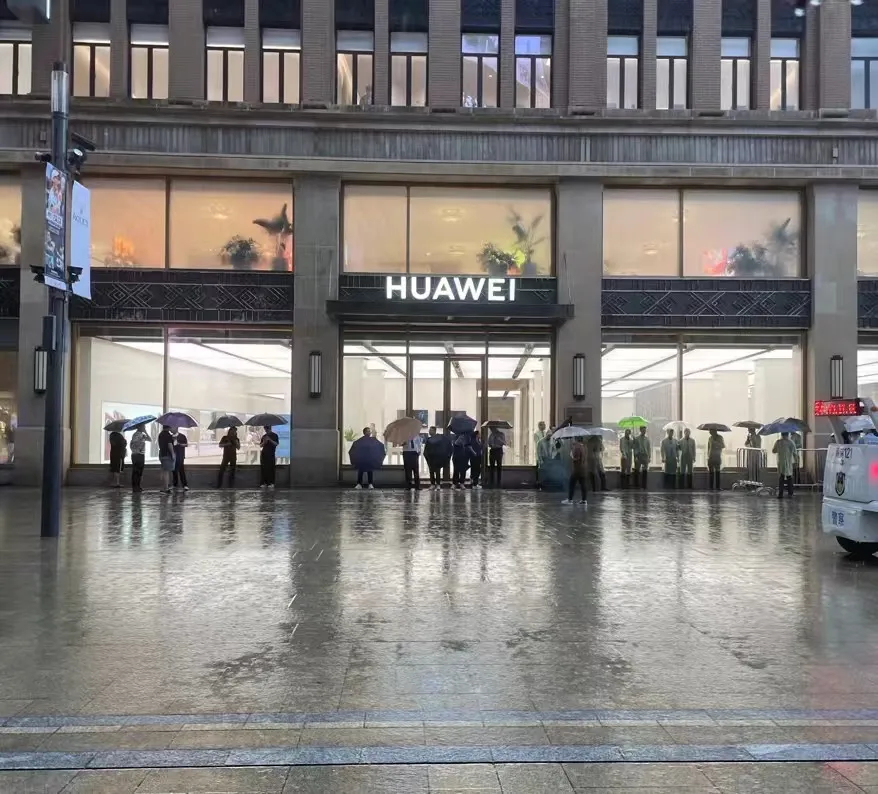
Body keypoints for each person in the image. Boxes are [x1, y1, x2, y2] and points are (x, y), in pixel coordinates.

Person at [562, 436, 587, 506]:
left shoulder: (577, 447)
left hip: (577, 470)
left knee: (571, 484)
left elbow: (577, 458)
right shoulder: (583, 447)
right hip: (583, 469)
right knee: (583, 485)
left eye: (574, 439)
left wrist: (572, 456)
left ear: (576, 439)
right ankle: (584, 500)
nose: (573, 440)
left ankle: (570, 499)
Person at [773, 431, 797, 498]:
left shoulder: (778, 442)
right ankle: (790, 493)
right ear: (788, 434)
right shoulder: (791, 442)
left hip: (781, 462)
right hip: (788, 462)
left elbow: (774, 451)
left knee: (781, 478)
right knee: (789, 478)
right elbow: (795, 453)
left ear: (781, 434)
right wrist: (796, 461)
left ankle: (780, 494)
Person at [129, 423, 149, 493]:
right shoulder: (136, 434)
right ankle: (135, 487)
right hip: (136, 454)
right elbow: (134, 445)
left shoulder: (142, 434)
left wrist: (145, 432)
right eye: (144, 426)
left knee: (140, 471)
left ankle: (138, 486)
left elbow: (149, 439)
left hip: (141, 454)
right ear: (139, 427)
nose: (144, 427)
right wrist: (141, 440)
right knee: (136, 472)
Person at [157, 424, 175, 494]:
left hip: (162, 454)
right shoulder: (168, 435)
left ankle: (163, 487)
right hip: (167, 455)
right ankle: (166, 488)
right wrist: (172, 454)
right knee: (166, 472)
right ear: (168, 427)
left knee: (164, 470)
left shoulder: (161, 434)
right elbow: (169, 444)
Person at [533, 421, 548, 488]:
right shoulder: (536, 434)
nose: (544, 426)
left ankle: (544, 481)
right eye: (543, 425)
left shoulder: (545, 433)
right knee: (538, 468)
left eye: (545, 425)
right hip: (539, 453)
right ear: (539, 426)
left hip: (545, 453)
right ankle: (538, 482)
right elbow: (537, 443)